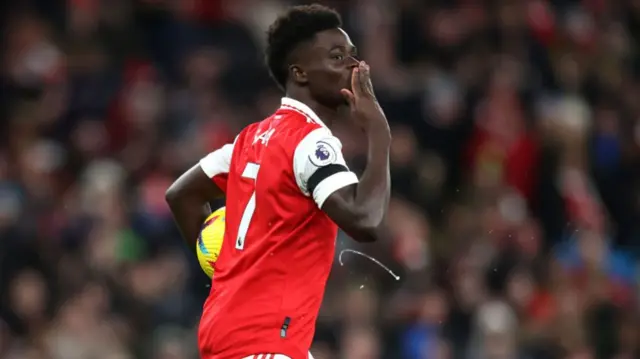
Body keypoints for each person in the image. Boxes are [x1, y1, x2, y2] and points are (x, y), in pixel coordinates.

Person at [165, 4, 391, 359]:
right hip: (268, 344)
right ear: (299, 73)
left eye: (353, 54)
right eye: (336, 56)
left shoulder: (247, 141)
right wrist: (379, 131)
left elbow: (181, 195)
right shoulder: (310, 141)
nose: (353, 66)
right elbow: (365, 220)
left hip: (225, 335)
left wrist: (229, 270)